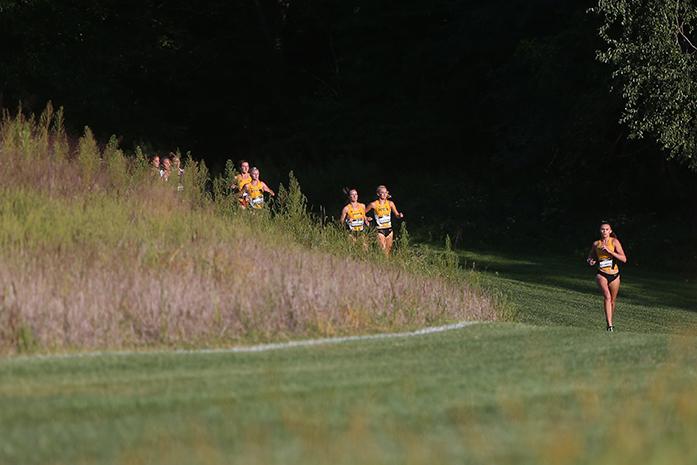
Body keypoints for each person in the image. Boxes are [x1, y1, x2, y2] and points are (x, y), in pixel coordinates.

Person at [586, 222, 627, 332]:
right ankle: (610, 326)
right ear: (600, 231)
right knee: (607, 297)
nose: (604, 231)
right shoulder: (596, 244)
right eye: (602, 229)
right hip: (601, 274)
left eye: (606, 229)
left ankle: (609, 321)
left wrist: (610, 251)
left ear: (610, 231)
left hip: (614, 275)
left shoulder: (614, 242)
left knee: (612, 301)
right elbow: (590, 256)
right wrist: (590, 260)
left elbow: (624, 259)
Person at [365, 185, 403, 255]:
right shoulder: (373, 204)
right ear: (378, 194)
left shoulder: (390, 203)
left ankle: (386, 265)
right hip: (380, 230)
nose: (385, 194)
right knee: (383, 251)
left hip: (389, 230)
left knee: (388, 253)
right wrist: (366, 218)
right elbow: (361, 212)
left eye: (386, 192)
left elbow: (397, 215)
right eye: (382, 192)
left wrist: (399, 215)